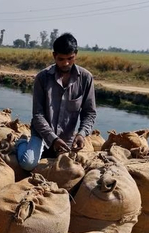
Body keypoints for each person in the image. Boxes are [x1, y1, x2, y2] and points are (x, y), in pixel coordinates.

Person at [17, 32, 97, 171]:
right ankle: (21, 143)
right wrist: (53, 139)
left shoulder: (86, 78)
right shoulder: (42, 78)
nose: (65, 63)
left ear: (76, 54)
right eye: (61, 59)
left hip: (67, 136)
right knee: (28, 163)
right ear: (54, 56)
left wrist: (82, 134)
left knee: (78, 169)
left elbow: (89, 112)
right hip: (42, 134)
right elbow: (38, 115)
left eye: (70, 58)